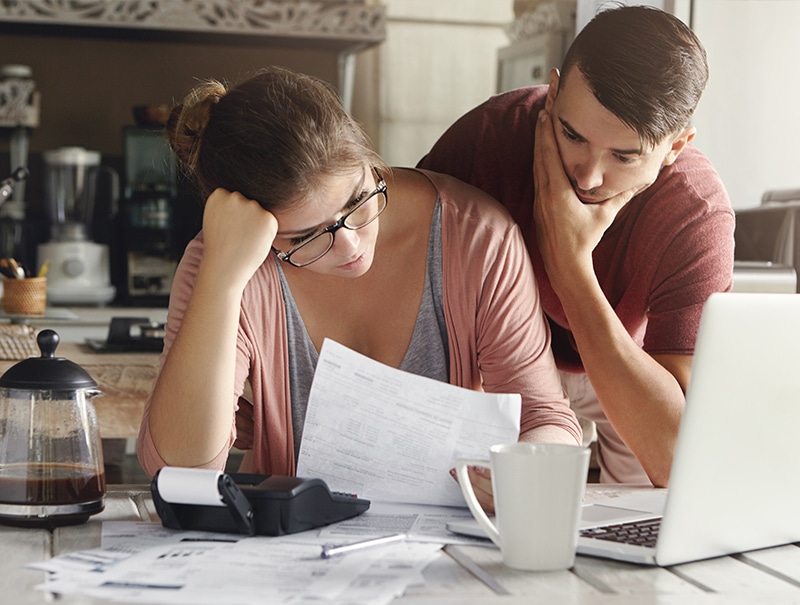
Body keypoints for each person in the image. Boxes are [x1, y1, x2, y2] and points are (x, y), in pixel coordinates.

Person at [137, 67, 582, 502]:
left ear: (366, 154)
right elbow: (180, 473)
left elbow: (546, 417)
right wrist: (222, 280)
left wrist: (526, 468)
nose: (350, 245)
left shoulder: (476, 236)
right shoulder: (222, 262)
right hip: (286, 555)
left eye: (357, 199)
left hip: (448, 547)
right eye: (306, 237)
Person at [418, 5, 735, 487]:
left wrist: (569, 265)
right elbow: (399, 270)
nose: (587, 175)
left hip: (627, 361)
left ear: (676, 147)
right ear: (553, 92)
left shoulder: (696, 214)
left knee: (649, 516)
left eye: (624, 156)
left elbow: (675, 458)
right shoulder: (487, 138)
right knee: (477, 502)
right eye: (572, 134)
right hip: (503, 357)